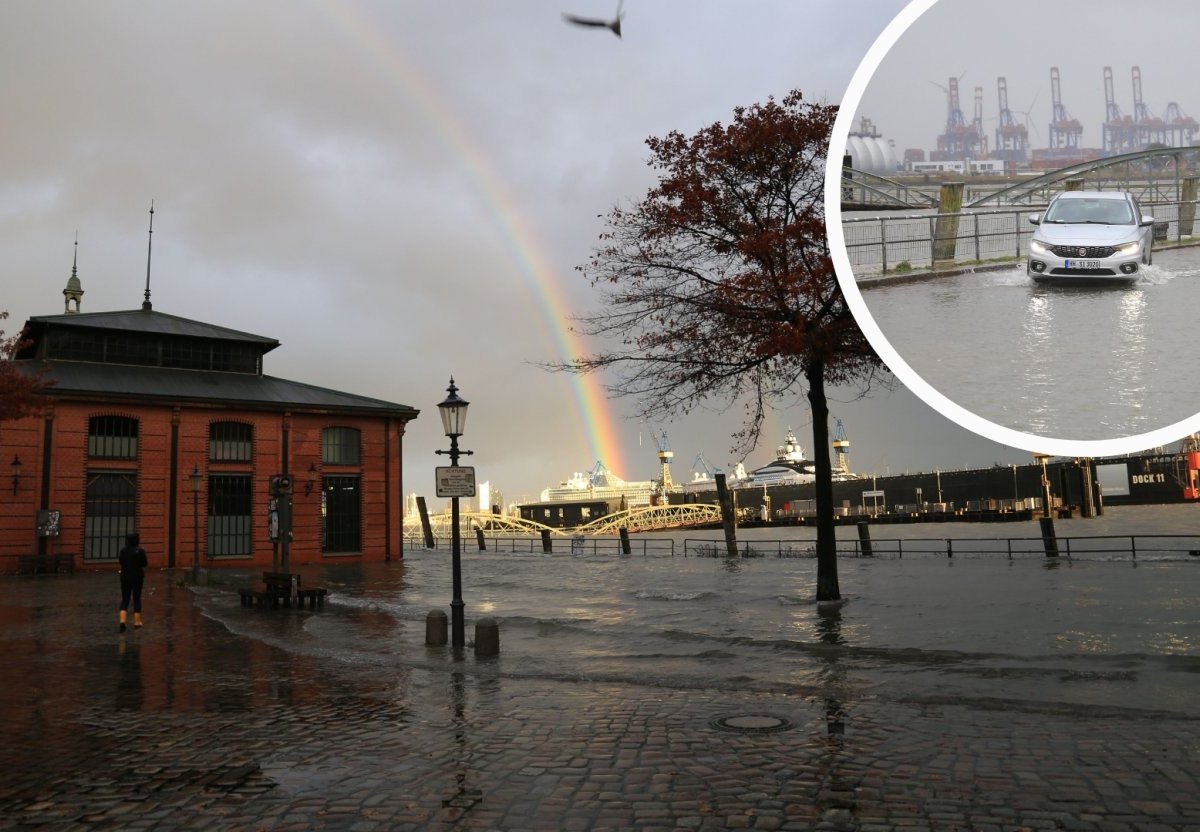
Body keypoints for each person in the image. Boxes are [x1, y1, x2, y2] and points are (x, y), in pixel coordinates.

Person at [118, 532, 148, 632]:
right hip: (137, 576)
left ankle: (122, 620)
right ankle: (137, 622)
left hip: (125, 576)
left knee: (125, 599)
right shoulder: (140, 551)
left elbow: (121, 562)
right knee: (137, 598)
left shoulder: (123, 551)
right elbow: (145, 563)